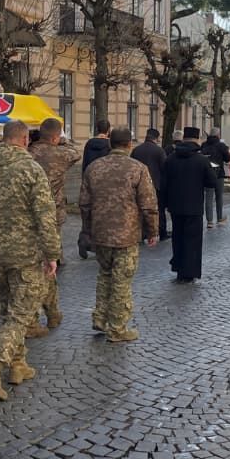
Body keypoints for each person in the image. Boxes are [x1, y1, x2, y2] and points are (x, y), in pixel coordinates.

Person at [0, 120, 61, 401]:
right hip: (27, 254)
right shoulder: (31, 169)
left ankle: (18, 365)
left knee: (10, 309)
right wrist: (52, 253)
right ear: (23, 140)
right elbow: (45, 215)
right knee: (22, 314)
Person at [81, 129, 158, 342]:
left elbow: (84, 204)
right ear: (129, 145)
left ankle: (100, 316)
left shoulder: (93, 168)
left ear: (110, 144)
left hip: (101, 232)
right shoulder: (138, 169)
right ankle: (117, 327)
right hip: (126, 234)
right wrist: (152, 231)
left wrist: (87, 230)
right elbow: (148, 204)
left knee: (105, 274)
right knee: (122, 280)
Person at [27, 118, 81, 336]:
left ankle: (40, 313)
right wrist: (63, 142)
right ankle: (51, 311)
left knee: (31, 263)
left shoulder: (28, 153)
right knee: (49, 265)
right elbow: (75, 152)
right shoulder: (60, 153)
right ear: (56, 137)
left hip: (27, 216)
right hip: (52, 213)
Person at [161, 127, 218, 283]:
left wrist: (165, 203)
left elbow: (163, 184)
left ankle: (179, 269)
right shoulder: (201, 160)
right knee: (192, 240)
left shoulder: (170, 158)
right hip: (194, 206)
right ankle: (190, 271)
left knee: (177, 238)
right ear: (197, 139)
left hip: (175, 206)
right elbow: (212, 182)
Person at [79, 120, 112, 259]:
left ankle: (84, 238)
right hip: (104, 185)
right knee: (103, 215)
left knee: (88, 214)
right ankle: (99, 244)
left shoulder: (89, 144)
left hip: (89, 181)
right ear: (108, 130)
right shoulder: (110, 145)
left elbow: (85, 163)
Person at [130, 128, 167, 240]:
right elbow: (165, 168)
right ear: (156, 138)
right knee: (158, 210)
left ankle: (141, 234)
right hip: (155, 185)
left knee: (139, 210)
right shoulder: (159, 151)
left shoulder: (136, 150)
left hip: (138, 185)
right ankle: (161, 232)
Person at [202, 128, 229, 228]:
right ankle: (219, 218)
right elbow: (227, 158)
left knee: (208, 197)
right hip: (219, 174)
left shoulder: (204, 144)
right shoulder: (221, 145)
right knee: (219, 196)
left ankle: (209, 221)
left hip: (207, 174)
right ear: (218, 135)